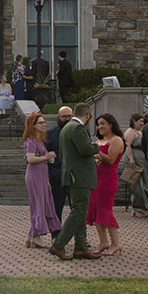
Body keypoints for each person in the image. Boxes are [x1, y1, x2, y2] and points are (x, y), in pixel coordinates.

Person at [49, 103, 100, 261]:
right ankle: (59, 244)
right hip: (79, 177)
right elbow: (85, 150)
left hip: (71, 175)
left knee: (80, 212)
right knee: (78, 212)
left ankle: (80, 247)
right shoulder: (77, 128)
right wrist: (97, 146)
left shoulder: (67, 128)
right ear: (87, 115)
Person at [23, 110, 61, 248]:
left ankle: (32, 236)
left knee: (43, 204)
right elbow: (31, 159)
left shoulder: (39, 140)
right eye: (40, 123)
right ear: (33, 125)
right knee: (38, 205)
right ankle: (36, 236)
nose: (44, 125)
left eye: (44, 122)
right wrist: (46, 157)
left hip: (42, 175)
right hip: (34, 175)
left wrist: (46, 180)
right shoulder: (31, 141)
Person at [88, 113, 124, 256]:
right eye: (98, 124)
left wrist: (96, 151)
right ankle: (103, 241)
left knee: (105, 209)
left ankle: (116, 243)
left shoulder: (116, 140)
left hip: (107, 180)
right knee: (96, 210)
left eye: (103, 124)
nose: (100, 127)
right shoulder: (99, 141)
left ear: (111, 124)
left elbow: (110, 160)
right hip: (95, 179)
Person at [45, 105, 70, 222]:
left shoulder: (82, 132)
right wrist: (48, 174)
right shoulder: (50, 134)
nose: (67, 119)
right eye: (64, 116)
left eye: (69, 116)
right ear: (58, 117)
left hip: (75, 176)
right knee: (56, 208)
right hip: (57, 175)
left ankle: (80, 232)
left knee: (78, 209)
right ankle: (56, 231)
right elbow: (46, 156)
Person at [121, 113, 148, 216]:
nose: (142, 123)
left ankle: (142, 206)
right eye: (140, 121)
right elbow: (127, 146)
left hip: (142, 160)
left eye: (143, 121)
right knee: (136, 185)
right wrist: (131, 159)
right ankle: (137, 208)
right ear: (134, 121)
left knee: (143, 184)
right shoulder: (130, 132)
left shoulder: (139, 132)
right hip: (134, 160)